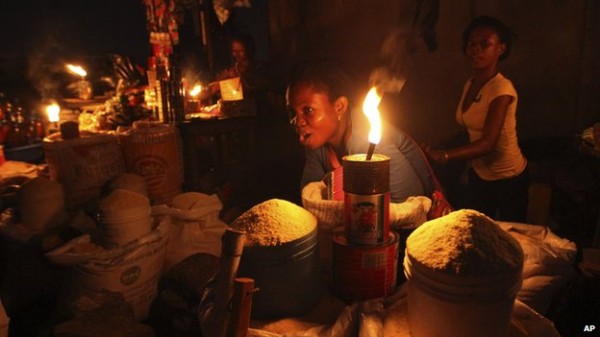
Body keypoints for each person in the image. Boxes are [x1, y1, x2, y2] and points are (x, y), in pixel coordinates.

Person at [423, 15, 529, 222]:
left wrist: (445, 155)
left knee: (511, 239)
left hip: (509, 178)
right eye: (471, 43)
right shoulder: (471, 83)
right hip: (480, 174)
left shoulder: (501, 89)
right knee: (478, 234)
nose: (476, 49)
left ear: (501, 48)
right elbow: (470, 129)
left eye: (484, 44)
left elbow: (488, 143)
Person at [287, 59, 434, 203]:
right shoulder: (318, 143)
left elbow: (410, 203)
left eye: (308, 110)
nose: (298, 122)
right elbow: (309, 198)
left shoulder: (365, 139)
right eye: (293, 113)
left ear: (339, 107)